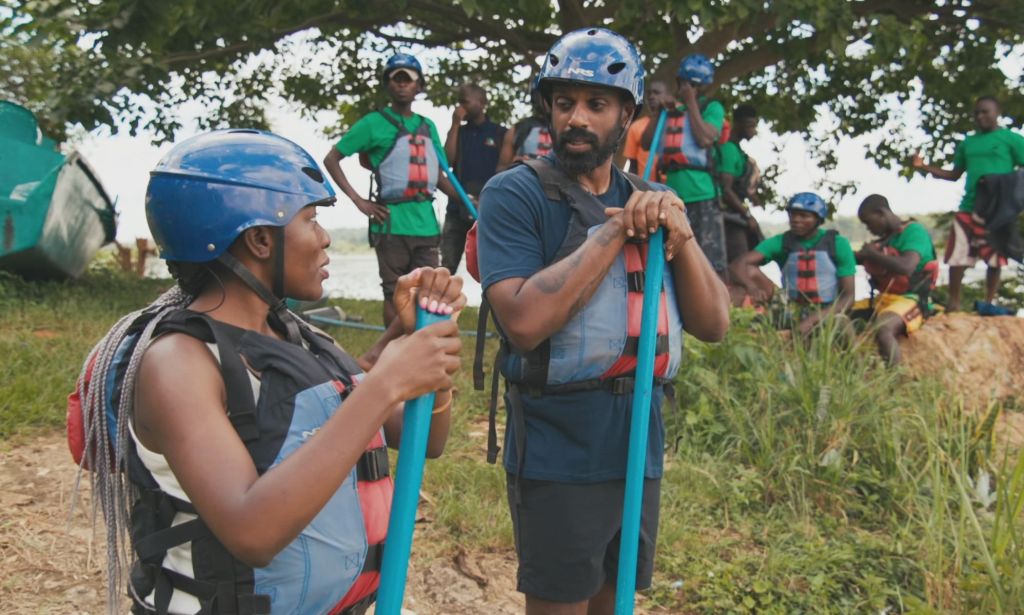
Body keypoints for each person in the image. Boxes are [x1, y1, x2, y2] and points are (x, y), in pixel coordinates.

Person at [74, 130, 465, 615]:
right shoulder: (177, 363)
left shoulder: (293, 335)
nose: (324, 239)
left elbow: (422, 438)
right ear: (260, 239)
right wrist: (389, 380)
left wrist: (420, 344)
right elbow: (252, 532)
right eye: (312, 219)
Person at [476, 27, 730, 614]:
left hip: (640, 431)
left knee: (614, 601)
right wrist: (616, 228)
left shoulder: (654, 194)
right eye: (564, 103)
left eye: (596, 104)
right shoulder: (513, 194)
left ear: (625, 115)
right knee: (561, 603)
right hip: (559, 435)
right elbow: (523, 321)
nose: (577, 119)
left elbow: (714, 323)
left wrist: (680, 231)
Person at [323, 53, 462, 324]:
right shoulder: (372, 123)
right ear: (388, 84)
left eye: (408, 80)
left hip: (426, 225)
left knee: (429, 290)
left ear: (418, 86)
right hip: (390, 224)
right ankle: (390, 352)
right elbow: (332, 159)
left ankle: (423, 344)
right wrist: (358, 201)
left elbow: (441, 175)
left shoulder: (427, 126)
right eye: (395, 79)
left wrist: (470, 201)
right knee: (393, 293)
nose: (401, 85)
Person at [912, 96, 1024, 311]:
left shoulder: (1011, 139)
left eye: (985, 112)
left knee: (995, 255)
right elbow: (954, 174)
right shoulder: (968, 143)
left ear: (997, 113)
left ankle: (989, 303)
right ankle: (954, 303)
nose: (981, 116)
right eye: (977, 113)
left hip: (997, 209)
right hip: (970, 205)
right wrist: (924, 167)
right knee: (958, 254)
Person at [730, 192, 856, 336]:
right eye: (793, 215)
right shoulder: (781, 241)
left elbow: (849, 297)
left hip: (826, 311)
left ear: (818, 219)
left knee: (843, 327)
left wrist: (811, 320)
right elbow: (738, 264)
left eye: (804, 216)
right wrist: (751, 287)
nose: (796, 220)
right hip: (791, 308)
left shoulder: (838, 243)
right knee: (749, 272)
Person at [654, 54, 728, 276]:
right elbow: (648, 143)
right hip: (672, 196)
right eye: (686, 84)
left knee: (710, 261)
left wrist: (691, 102)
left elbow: (705, 138)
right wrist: (660, 111)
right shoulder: (670, 111)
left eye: (695, 86)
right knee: (673, 257)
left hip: (702, 195)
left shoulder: (712, 108)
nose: (689, 89)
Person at [853, 194, 938, 365]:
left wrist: (873, 254)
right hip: (883, 299)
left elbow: (906, 266)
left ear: (881, 213)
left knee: (883, 329)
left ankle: (894, 378)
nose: (868, 228)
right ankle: (853, 364)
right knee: (839, 315)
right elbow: (863, 259)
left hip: (911, 300)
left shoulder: (914, 232)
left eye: (869, 222)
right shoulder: (886, 240)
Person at [441, 82, 506, 272]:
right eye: (458, 102)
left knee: (491, 267)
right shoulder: (458, 132)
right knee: (446, 266)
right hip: (457, 208)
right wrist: (454, 124)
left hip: (487, 209)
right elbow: (447, 162)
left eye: (465, 102)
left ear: (482, 102)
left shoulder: (499, 133)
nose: (460, 107)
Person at [716, 104, 764, 269]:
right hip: (727, 217)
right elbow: (726, 191)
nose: (754, 131)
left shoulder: (738, 151)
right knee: (740, 264)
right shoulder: (729, 149)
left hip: (733, 215)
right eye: (751, 125)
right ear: (738, 124)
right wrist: (747, 215)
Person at [621, 80, 675, 180]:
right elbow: (632, 164)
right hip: (647, 187)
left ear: (668, 96)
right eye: (649, 93)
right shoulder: (636, 126)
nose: (651, 97)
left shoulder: (677, 122)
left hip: (673, 187)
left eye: (656, 93)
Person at [497, 76, 552, 171]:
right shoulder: (517, 130)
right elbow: (500, 169)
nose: (547, 99)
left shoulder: (572, 126)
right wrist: (514, 166)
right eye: (543, 95)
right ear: (534, 97)